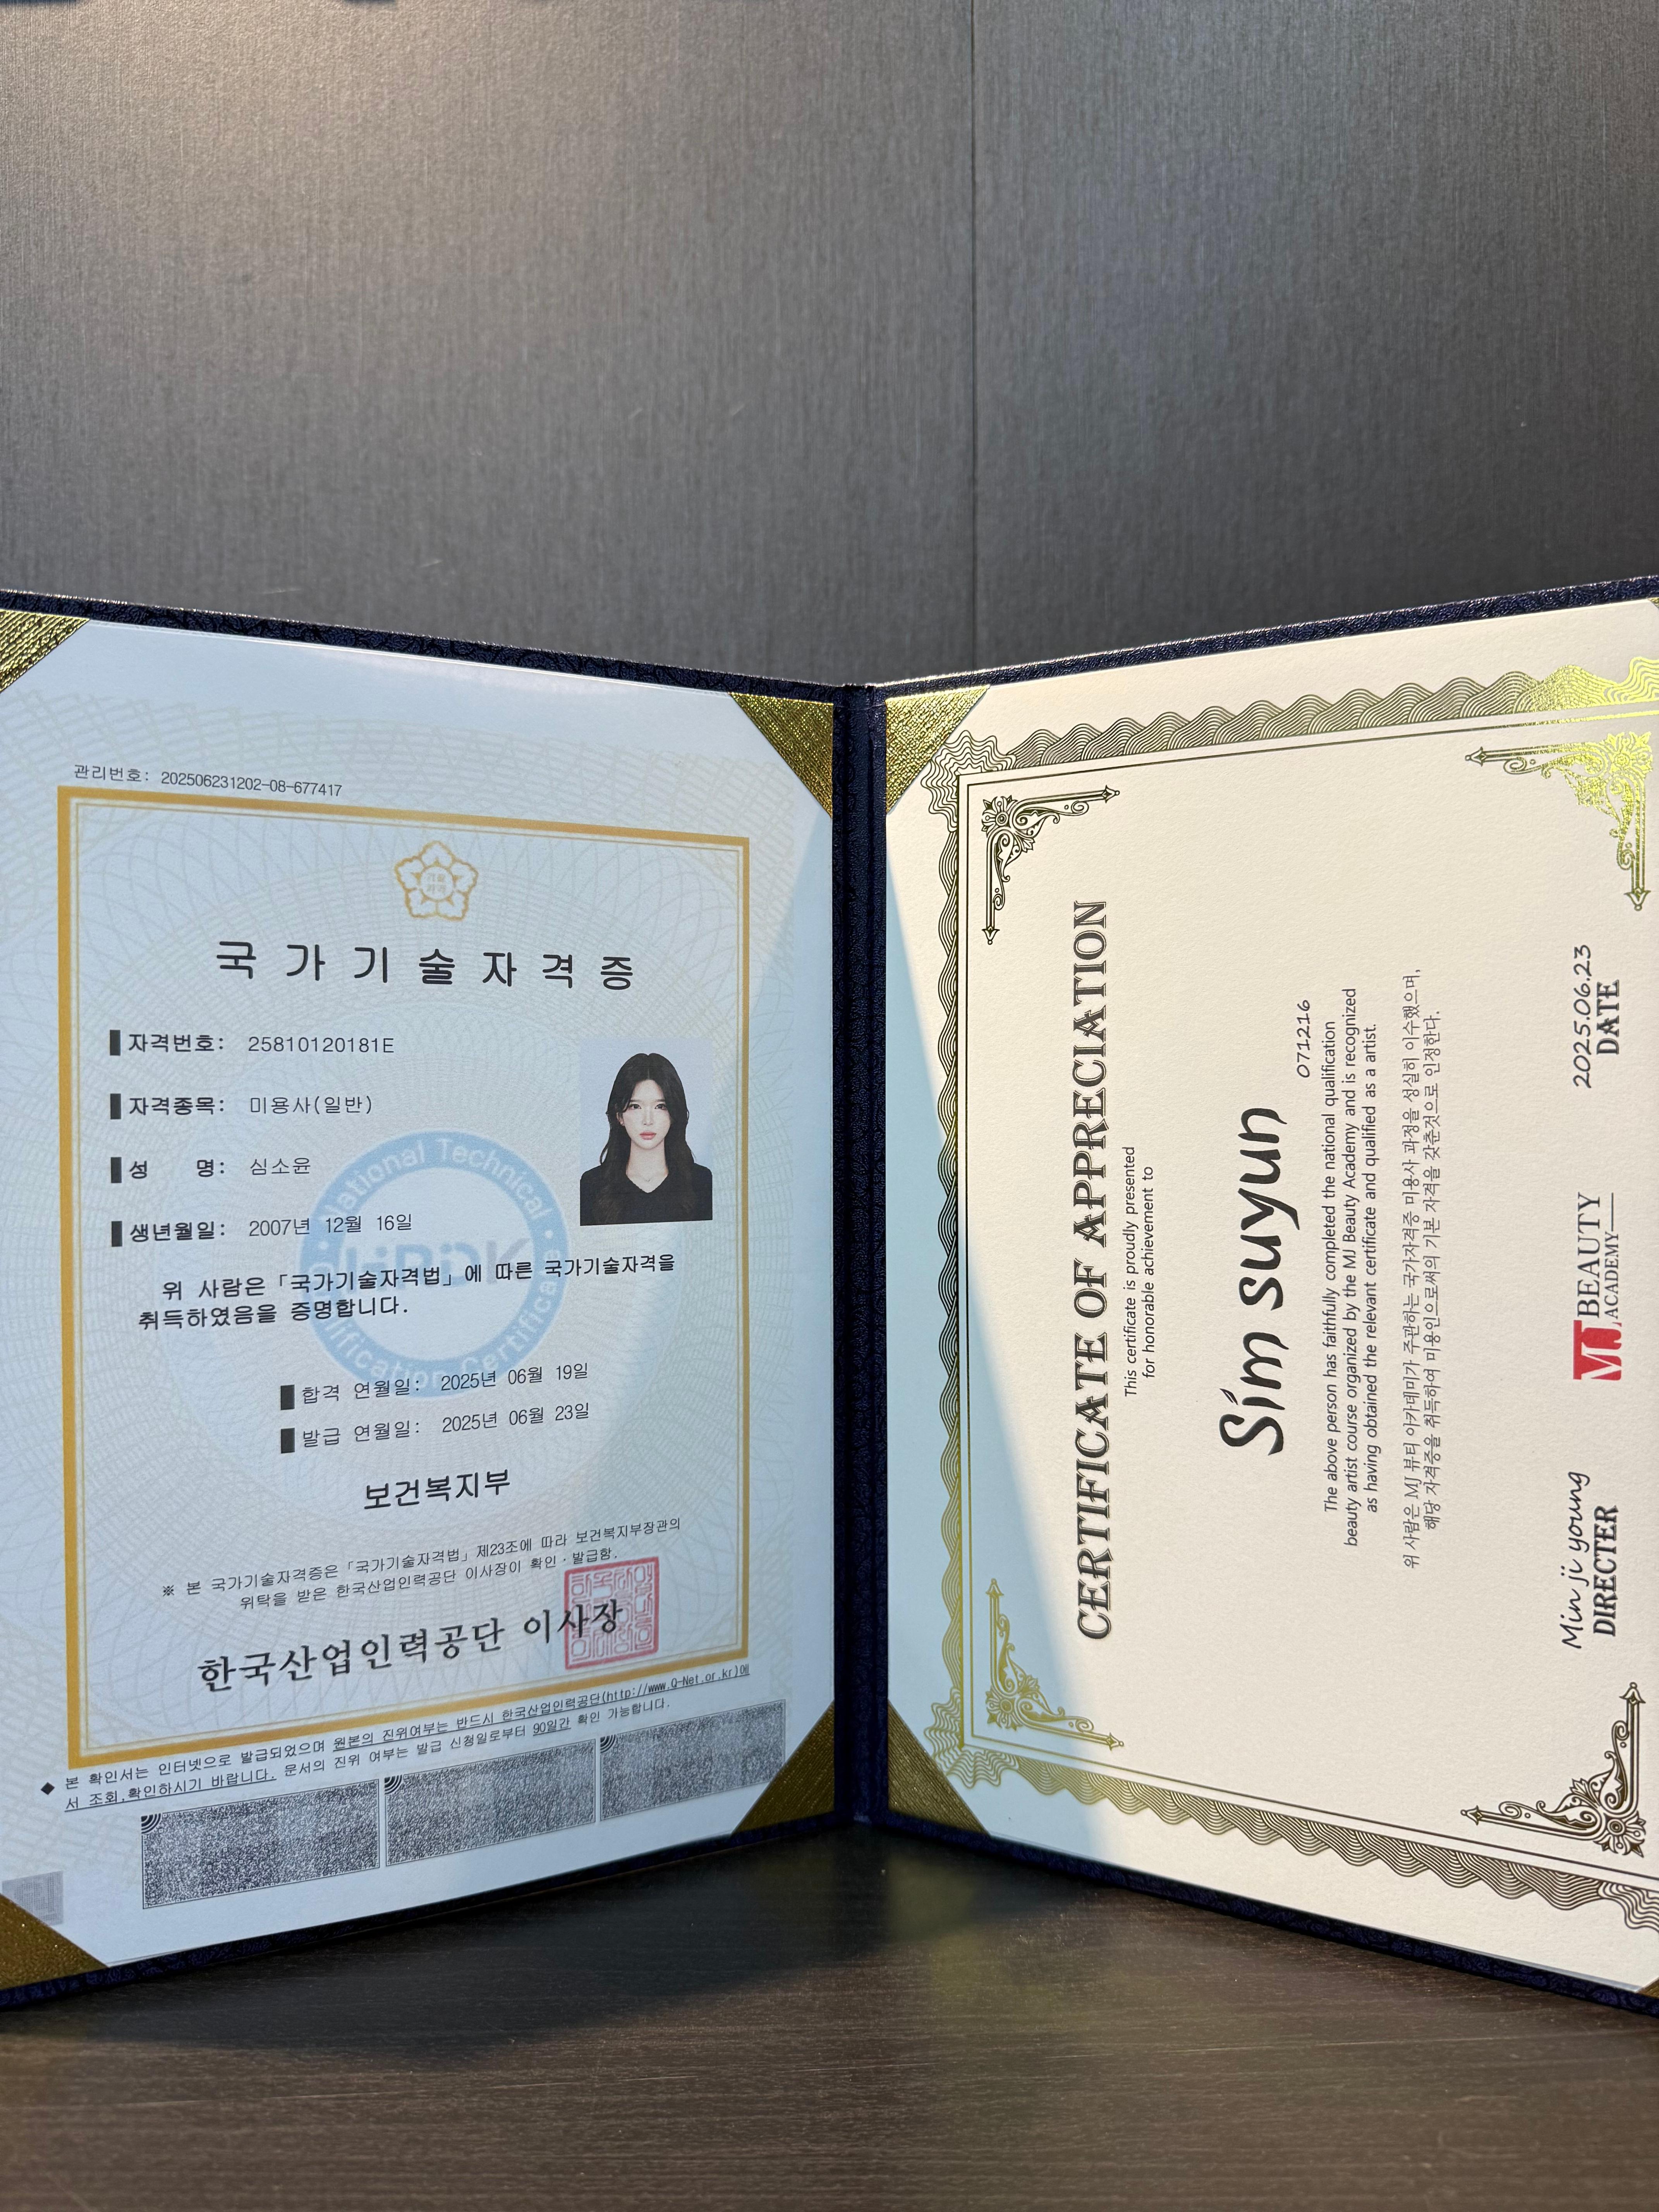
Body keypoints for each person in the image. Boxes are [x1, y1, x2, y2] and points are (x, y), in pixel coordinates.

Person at [579, 1052, 714, 1225]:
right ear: (619, 1116)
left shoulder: (702, 1182)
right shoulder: (592, 1185)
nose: (648, 1121)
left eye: (660, 1106)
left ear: (673, 1114)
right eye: (636, 1106)